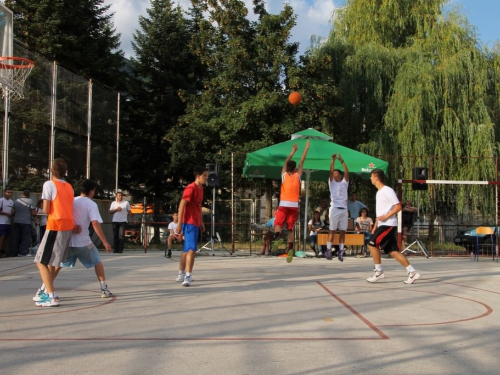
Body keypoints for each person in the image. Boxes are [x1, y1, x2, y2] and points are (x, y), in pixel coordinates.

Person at [33, 179, 114, 301]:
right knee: (97, 262)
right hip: (83, 243)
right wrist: (105, 242)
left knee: (56, 266)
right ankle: (104, 289)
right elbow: (95, 223)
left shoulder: (72, 201)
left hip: (67, 241)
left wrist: (72, 228)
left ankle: (43, 289)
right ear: (91, 191)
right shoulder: (91, 204)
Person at [33, 158, 77, 307]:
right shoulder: (70, 187)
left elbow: (46, 209)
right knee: (53, 262)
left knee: (40, 261)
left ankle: (51, 296)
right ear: (65, 172)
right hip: (67, 226)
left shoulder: (49, 184)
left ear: (52, 170)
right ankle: (45, 290)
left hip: (55, 225)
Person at [366, 169, 421, 284]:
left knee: (371, 244)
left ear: (376, 178)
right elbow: (380, 212)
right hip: (382, 224)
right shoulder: (379, 192)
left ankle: (379, 271)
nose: (370, 179)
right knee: (393, 251)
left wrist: (386, 217)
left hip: (388, 225)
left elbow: (398, 206)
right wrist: (376, 225)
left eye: (371, 177)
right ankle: (412, 272)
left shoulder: (387, 190)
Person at [271, 140, 310, 263]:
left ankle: (277, 237)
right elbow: (302, 161)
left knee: (278, 223)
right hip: (294, 205)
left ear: (287, 168)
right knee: (290, 228)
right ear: (295, 169)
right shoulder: (298, 176)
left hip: (283, 204)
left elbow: (285, 163)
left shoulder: (283, 175)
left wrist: (292, 152)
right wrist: (306, 148)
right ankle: (291, 248)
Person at [175, 166, 208, 286]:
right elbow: (182, 205)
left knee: (185, 250)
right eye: (205, 175)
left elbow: (198, 207)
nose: (206, 178)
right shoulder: (190, 188)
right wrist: (179, 223)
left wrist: (201, 222)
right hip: (189, 223)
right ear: (198, 176)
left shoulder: (201, 189)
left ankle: (181, 274)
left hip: (194, 222)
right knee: (192, 250)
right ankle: (188, 276)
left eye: (207, 176)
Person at [326, 154, 349, 262]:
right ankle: (328, 249)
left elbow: (347, 173)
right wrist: (333, 160)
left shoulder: (344, 183)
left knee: (343, 231)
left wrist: (342, 161)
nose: (334, 174)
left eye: (336, 173)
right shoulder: (332, 183)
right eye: (333, 173)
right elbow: (330, 172)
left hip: (344, 209)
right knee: (332, 230)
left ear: (340, 175)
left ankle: (341, 251)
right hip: (334, 208)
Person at [11, 189, 37, 257]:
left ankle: (14, 252)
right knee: (25, 238)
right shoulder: (30, 201)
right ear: (28, 194)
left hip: (16, 221)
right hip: (26, 222)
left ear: (23, 194)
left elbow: (12, 211)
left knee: (16, 237)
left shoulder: (16, 201)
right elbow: (33, 212)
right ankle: (23, 252)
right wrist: (35, 218)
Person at [109, 189, 131, 253]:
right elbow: (110, 212)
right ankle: (115, 249)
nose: (120, 197)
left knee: (121, 235)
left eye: (121, 195)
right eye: (119, 195)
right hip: (115, 221)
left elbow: (129, 212)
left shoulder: (126, 203)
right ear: (116, 196)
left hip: (123, 221)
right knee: (115, 235)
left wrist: (133, 220)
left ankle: (120, 249)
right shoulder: (113, 203)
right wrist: (116, 210)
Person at [0, 187, 15, 258]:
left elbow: (12, 211)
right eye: (8, 192)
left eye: (10, 192)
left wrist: (12, 214)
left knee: (6, 237)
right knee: (2, 237)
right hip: (2, 222)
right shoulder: (1, 200)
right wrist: (7, 214)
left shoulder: (11, 201)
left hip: (8, 222)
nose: (9, 194)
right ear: (4, 192)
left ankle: (3, 251)